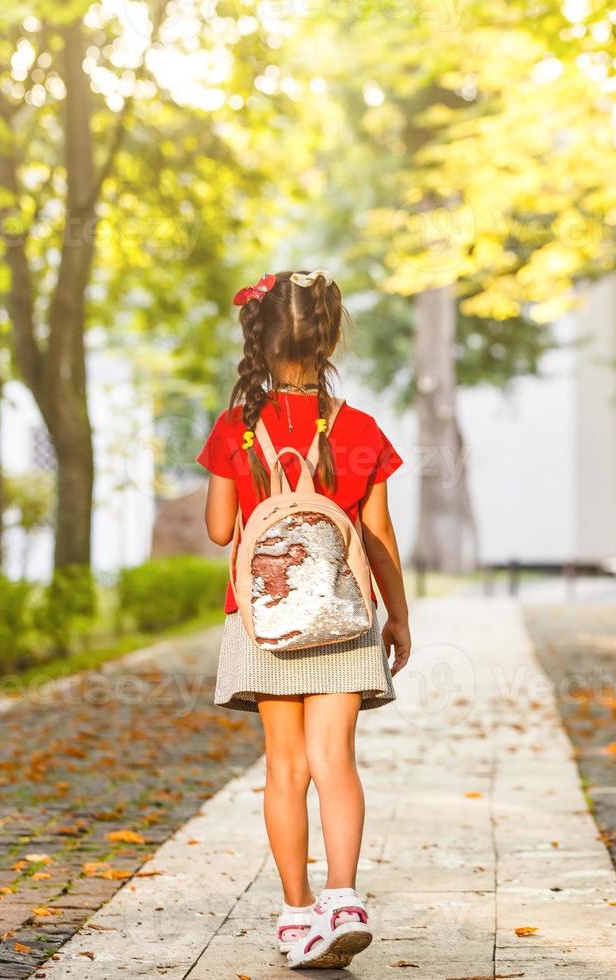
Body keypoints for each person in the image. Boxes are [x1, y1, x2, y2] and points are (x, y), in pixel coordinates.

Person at [198, 270, 411, 969]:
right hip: (345, 616)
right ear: (329, 336)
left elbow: (222, 530)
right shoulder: (359, 429)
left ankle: (295, 917)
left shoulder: (236, 427)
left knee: (284, 768)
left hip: (264, 619)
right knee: (335, 762)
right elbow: (377, 536)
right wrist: (398, 618)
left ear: (257, 339)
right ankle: (343, 899)